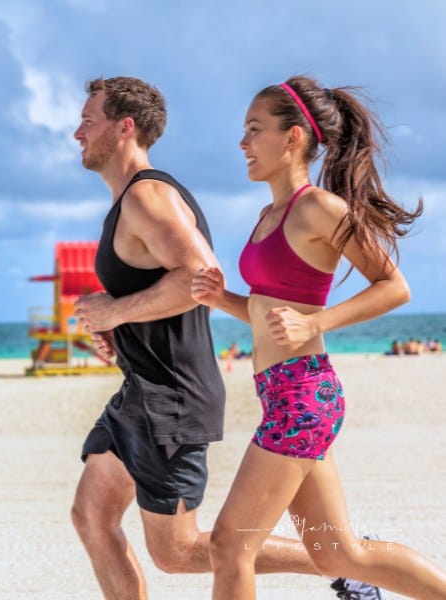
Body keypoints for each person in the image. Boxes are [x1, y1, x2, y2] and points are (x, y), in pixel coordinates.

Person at [69, 76, 352, 599]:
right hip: (141, 390)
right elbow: (159, 290)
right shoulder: (130, 200)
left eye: (89, 120)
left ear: (125, 127)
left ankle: (339, 564)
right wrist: (117, 324)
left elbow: (197, 276)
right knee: (90, 514)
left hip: (170, 398)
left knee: (179, 553)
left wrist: (115, 309)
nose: (77, 132)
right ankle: (340, 560)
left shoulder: (148, 196)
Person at [191, 75, 446, 599]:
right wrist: (223, 300)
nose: (242, 143)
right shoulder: (268, 215)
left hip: (303, 396)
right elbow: (272, 310)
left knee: (230, 546)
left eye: (254, 129)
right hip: (282, 394)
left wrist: (317, 323)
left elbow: (393, 287)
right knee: (338, 553)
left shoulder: (318, 208)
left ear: (293, 139)